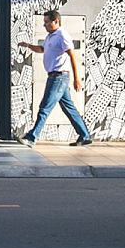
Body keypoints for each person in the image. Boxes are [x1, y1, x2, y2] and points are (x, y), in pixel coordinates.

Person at [18, 8, 93, 147]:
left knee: (45, 107)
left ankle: (32, 137)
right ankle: (84, 135)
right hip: (54, 76)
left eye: (46, 22)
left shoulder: (62, 35)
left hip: (59, 77)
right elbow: (42, 49)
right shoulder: (50, 36)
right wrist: (28, 45)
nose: (44, 25)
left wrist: (77, 79)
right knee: (68, 108)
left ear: (56, 21)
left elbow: (72, 56)